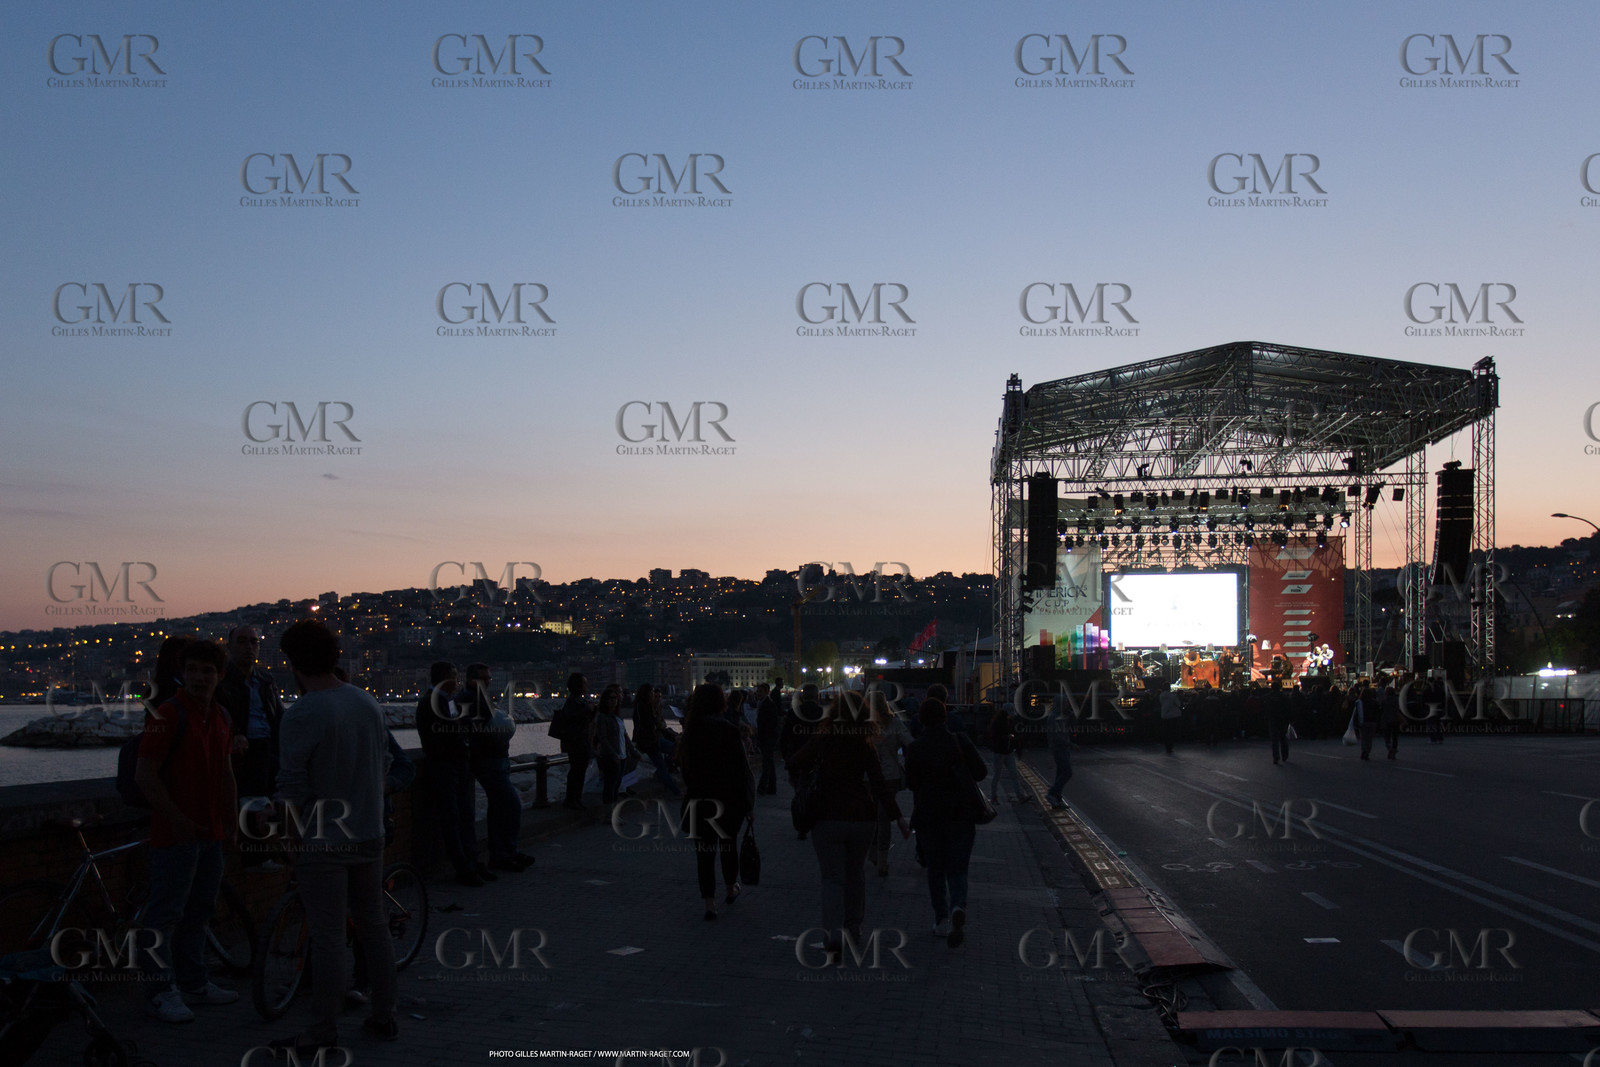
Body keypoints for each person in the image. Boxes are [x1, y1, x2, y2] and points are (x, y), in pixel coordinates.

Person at [270, 619, 397, 1054]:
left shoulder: (303, 712)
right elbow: (382, 768)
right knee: (373, 927)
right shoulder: (366, 702)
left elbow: (291, 786)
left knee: (327, 938)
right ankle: (384, 1014)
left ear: (293, 663)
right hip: (369, 832)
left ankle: (322, 1029)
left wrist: (290, 841)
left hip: (324, 841)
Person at [136, 638, 239, 1023]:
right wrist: (177, 819)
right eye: (193, 670)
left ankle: (194, 982)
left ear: (219, 675)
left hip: (210, 832)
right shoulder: (167, 714)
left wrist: (231, 822)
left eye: (207, 670)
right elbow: (145, 775)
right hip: (176, 834)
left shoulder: (222, 718)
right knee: (164, 914)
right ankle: (160, 991)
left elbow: (226, 773)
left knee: (199, 910)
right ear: (183, 673)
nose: (199, 677)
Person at [789, 696, 909, 954]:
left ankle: (832, 934)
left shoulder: (824, 738)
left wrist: (801, 786)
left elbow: (794, 761)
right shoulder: (865, 743)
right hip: (861, 817)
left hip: (826, 816)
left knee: (832, 879)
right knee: (855, 875)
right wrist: (897, 816)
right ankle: (853, 929)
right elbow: (878, 783)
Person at [904, 698, 987, 945]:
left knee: (936, 870)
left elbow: (911, 783)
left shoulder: (916, 747)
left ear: (921, 718)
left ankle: (940, 919)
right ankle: (957, 906)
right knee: (958, 868)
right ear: (944, 717)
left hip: (929, 815)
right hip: (960, 813)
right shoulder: (960, 740)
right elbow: (981, 772)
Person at [676, 683, 752, 920]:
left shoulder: (691, 731)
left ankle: (709, 903)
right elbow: (742, 769)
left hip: (700, 799)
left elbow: (684, 768)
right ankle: (730, 889)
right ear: (721, 702)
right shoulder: (729, 730)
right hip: (729, 799)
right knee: (728, 847)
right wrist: (748, 804)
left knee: (705, 854)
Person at [216, 627, 284, 864]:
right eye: (243, 642)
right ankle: (258, 854)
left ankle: (269, 849)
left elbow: (278, 716)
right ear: (230, 647)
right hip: (242, 750)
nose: (249, 647)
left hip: (267, 747)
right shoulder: (221, 682)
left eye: (254, 642)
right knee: (252, 798)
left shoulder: (266, 680)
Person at [415, 662, 485, 885]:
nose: (457, 682)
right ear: (444, 678)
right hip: (445, 767)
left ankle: (472, 862)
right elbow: (439, 736)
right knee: (453, 817)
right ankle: (464, 868)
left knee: (465, 814)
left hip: (457, 765)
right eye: (454, 677)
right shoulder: (429, 703)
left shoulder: (447, 700)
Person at [462, 663, 533, 872]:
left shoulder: (479, 699)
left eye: (489, 678)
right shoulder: (469, 700)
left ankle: (503, 853)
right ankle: (505, 853)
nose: (488, 681)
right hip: (488, 762)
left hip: (497, 760)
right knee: (512, 805)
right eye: (484, 678)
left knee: (498, 808)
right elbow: (473, 731)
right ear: (471, 680)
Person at [867, 690, 915, 877]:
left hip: (869, 776)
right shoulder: (895, 723)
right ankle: (883, 860)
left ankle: (872, 851)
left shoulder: (864, 724)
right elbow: (910, 743)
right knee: (884, 817)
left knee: (871, 816)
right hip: (890, 775)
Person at [554, 673, 595, 810]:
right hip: (576, 742)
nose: (586, 686)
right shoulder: (573, 702)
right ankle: (572, 799)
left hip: (579, 741)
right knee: (577, 771)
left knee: (579, 771)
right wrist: (587, 709)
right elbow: (572, 717)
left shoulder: (578, 701)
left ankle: (575, 798)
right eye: (584, 683)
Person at [632, 683, 680, 798]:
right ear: (647, 694)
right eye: (652, 692)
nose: (654, 695)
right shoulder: (642, 707)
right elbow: (648, 725)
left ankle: (662, 773)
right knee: (661, 766)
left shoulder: (650, 706)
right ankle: (675, 791)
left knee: (676, 749)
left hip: (655, 739)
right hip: (650, 742)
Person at [593, 683, 632, 805]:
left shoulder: (617, 716)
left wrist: (632, 751)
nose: (613, 701)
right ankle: (608, 814)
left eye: (615, 698)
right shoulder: (602, 717)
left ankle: (613, 813)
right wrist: (613, 754)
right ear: (605, 700)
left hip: (621, 755)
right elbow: (603, 738)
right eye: (610, 699)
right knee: (610, 785)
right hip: (611, 756)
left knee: (616, 785)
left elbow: (624, 735)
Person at [986, 704, 1026, 803]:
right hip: (1000, 752)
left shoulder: (1007, 721)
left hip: (1007, 751)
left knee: (1012, 775)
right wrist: (1007, 738)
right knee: (998, 775)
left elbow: (1013, 737)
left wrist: (1017, 748)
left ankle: (1020, 796)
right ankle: (994, 797)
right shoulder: (999, 723)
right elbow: (994, 738)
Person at [1043, 691, 1075, 809]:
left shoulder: (1061, 715)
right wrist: (1070, 744)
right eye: (1065, 703)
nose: (1067, 705)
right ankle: (1052, 793)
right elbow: (1056, 735)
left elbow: (1072, 720)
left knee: (1060, 773)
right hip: (1059, 748)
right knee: (1067, 772)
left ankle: (1057, 798)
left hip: (1063, 747)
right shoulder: (1054, 717)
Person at [755, 681, 782, 795]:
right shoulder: (766, 703)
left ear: (766, 692)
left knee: (767, 763)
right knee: (769, 762)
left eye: (760, 692)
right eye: (757, 691)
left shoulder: (767, 704)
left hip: (767, 737)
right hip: (768, 736)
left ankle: (763, 786)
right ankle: (771, 787)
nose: (758, 694)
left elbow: (769, 723)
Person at [1264, 680, 1290, 765]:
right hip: (1282, 719)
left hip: (1273, 719)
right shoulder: (1283, 696)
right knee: (1283, 737)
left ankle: (1276, 757)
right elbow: (1288, 707)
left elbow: (1266, 707)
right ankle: (1285, 755)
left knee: (1274, 739)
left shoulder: (1268, 697)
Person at [1380, 676, 1403, 760]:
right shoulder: (1397, 699)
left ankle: (1389, 748)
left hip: (1387, 720)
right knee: (1395, 736)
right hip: (1395, 719)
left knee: (1387, 736)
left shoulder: (1384, 700)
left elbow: (1381, 710)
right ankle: (1394, 749)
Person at [1353, 683, 1375, 760]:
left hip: (1363, 721)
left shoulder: (1360, 702)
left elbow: (1356, 713)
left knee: (1363, 738)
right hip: (1372, 721)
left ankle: (1364, 751)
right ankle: (1367, 751)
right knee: (1369, 738)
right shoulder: (1373, 702)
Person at [1159, 687, 1183, 754]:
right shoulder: (1172, 696)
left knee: (1166, 731)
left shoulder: (1161, 695)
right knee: (1172, 732)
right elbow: (1178, 704)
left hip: (1164, 715)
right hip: (1173, 715)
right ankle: (1170, 746)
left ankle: (1167, 746)